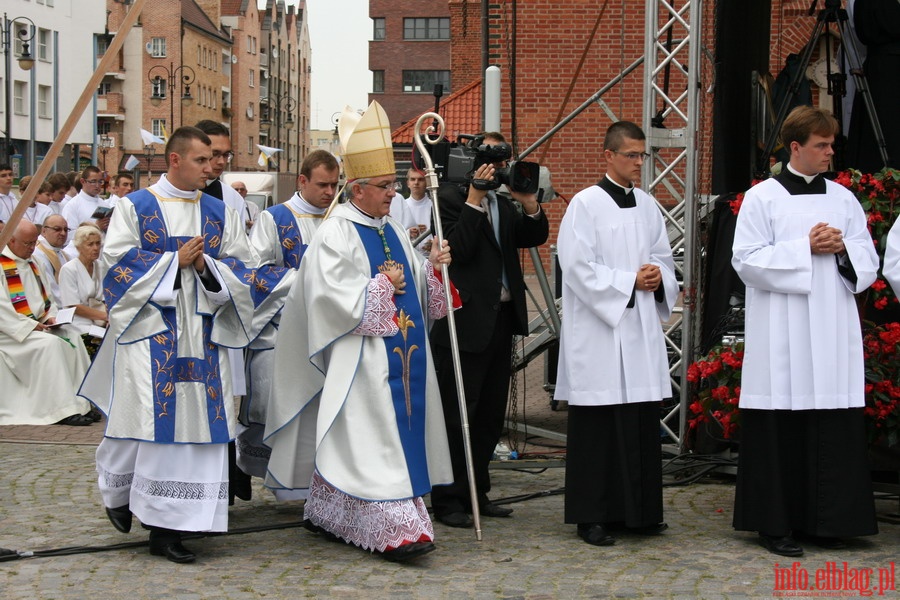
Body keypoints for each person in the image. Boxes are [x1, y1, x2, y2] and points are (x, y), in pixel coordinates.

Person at [264, 102, 454, 563]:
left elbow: (423, 296)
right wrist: (380, 287)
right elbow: (327, 299)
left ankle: (333, 512)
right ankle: (395, 528)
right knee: (373, 443)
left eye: (393, 185)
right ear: (359, 188)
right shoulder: (336, 234)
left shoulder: (390, 227)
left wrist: (432, 268)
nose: (393, 194)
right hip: (361, 360)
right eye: (386, 186)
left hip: (404, 356)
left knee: (380, 441)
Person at [78, 126, 273, 564]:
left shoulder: (219, 212)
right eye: (202, 161)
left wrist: (207, 269)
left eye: (212, 160)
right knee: (148, 428)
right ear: (174, 160)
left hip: (206, 336)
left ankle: (174, 525)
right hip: (152, 337)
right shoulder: (136, 206)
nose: (211, 168)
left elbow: (244, 269)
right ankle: (136, 507)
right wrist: (173, 262)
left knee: (198, 434)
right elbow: (115, 268)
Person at [731, 106, 879, 557]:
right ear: (795, 147)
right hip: (783, 331)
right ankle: (774, 524)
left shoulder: (843, 198)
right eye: (821, 145)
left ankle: (827, 519)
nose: (830, 152)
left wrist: (841, 252)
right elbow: (746, 260)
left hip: (831, 326)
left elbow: (868, 260)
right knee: (781, 421)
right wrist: (804, 247)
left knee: (829, 420)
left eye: (831, 145)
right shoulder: (763, 198)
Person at [555, 121, 677, 547]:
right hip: (601, 332)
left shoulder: (647, 205)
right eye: (631, 155)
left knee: (638, 421)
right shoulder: (585, 206)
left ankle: (639, 513)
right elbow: (576, 267)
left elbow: (664, 256)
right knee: (598, 426)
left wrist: (657, 276)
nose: (638, 162)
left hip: (639, 327)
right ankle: (593, 516)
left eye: (642, 155)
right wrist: (629, 281)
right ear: (608, 155)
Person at [429, 132, 549, 528]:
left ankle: (477, 492)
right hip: (462, 324)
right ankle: (448, 500)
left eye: (500, 163)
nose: (495, 169)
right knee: (457, 414)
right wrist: (473, 200)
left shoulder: (503, 202)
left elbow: (533, 236)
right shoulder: (446, 199)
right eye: (488, 161)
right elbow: (457, 251)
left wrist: (530, 203)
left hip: (500, 319)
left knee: (489, 417)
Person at [237, 150, 339, 481]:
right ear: (302, 180)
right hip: (279, 331)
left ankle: (312, 483)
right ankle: (249, 468)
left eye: (335, 185)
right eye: (322, 185)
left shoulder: (340, 220)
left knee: (320, 411)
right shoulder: (276, 219)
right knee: (269, 406)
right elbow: (256, 273)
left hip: (327, 332)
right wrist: (303, 279)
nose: (329, 192)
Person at [0, 219, 93, 426]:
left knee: (73, 338)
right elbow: (2, 310)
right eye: (27, 243)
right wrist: (30, 325)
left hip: (38, 325)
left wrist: (50, 317)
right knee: (50, 346)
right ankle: (60, 410)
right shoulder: (1, 263)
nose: (33, 248)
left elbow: (47, 297)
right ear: (11, 240)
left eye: (34, 242)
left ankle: (82, 403)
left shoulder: (35, 262)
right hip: (10, 335)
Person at [58, 224, 107, 358]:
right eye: (90, 244)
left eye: (98, 243)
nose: (96, 248)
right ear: (79, 247)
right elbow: (73, 306)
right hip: (77, 323)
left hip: (100, 320)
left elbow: (105, 296)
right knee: (100, 344)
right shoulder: (69, 269)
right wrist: (104, 316)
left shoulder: (100, 266)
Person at [60, 166, 113, 246]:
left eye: (100, 182)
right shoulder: (72, 205)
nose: (97, 185)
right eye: (93, 181)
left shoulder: (104, 205)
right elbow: (68, 236)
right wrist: (95, 227)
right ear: (82, 181)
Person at [33, 214, 72, 308]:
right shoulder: (37, 254)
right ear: (44, 231)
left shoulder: (63, 253)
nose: (63, 233)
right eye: (57, 229)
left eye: (66, 230)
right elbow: (52, 290)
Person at [403, 168, 434, 254]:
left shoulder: (434, 206)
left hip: (430, 257)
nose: (416, 183)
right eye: (412, 179)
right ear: (408, 183)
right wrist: (409, 233)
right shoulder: (401, 206)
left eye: (420, 179)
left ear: (426, 183)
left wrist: (435, 244)